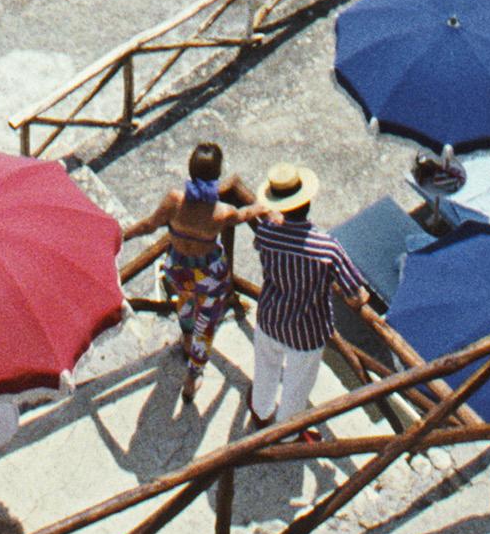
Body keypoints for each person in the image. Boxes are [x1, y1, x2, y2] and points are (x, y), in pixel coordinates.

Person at [240, 166, 368, 426]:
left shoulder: (266, 231)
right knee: (296, 388)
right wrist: (361, 299)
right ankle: (287, 433)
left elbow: (260, 244)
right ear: (306, 202)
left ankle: (261, 413)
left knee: (265, 371)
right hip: (307, 331)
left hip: (270, 317)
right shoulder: (327, 248)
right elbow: (356, 293)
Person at [122, 144, 241, 369]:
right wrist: (265, 208)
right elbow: (244, 214)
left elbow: (148, 225)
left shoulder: (174, 201)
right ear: (217, 174)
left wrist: (122, 236)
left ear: (191, 170)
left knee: (185, 300)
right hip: (209, 274)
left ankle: (187, 340)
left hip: (178, 267)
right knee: (206, 321)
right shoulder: (222, 212)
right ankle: (194, 374)